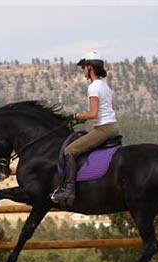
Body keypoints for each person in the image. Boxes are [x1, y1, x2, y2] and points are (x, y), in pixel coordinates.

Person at [51, 51, 119, 205]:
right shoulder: (105, 86)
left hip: (104, 129)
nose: (82, 70)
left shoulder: (94, 87)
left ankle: (68, 189)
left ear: (90, 67)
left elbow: (93, 114)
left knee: (70, 150)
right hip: (112, 126)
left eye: (83, 67)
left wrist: (75, 116)